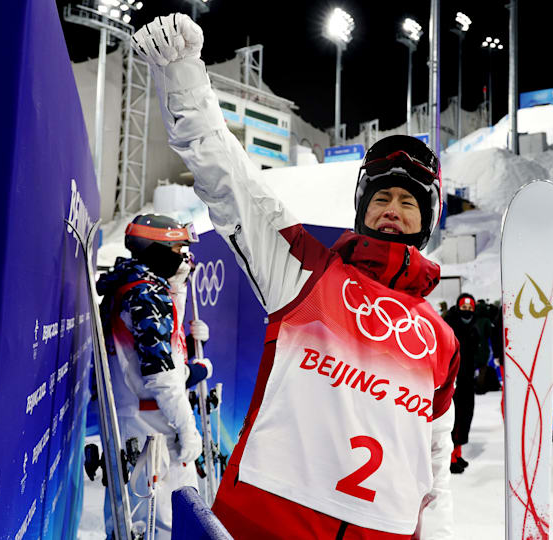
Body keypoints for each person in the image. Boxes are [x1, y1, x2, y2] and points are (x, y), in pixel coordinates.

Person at [133, 14, 459, 538]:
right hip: (265, 525)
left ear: (428, 218)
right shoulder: (307, 271)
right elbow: (232, 184)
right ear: (362, 208)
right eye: (381, 197)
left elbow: (436, 454)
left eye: (407, 200)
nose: (392, 208)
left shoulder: (441, 339)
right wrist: (184, 79)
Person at [96, 214, 212, 540]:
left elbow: (152, 351)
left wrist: (186, 341)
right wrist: (189, 430)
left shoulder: (133, 286)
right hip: (155, 429)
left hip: (137, 421)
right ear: (156, 248)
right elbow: (162, 375)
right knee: (160, 523)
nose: (184, 256)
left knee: (133, 519)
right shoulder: (147, 296)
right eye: (177, 248)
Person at [443, 294, 486, 474]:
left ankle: (457, 452)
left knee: (466, 415)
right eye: (464, 308)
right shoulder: (449, 323)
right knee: (454, 417)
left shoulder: (475, 324)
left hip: (467, 377)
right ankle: (448, 457)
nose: (467, 311)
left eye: (470, 309)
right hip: (452, 377)